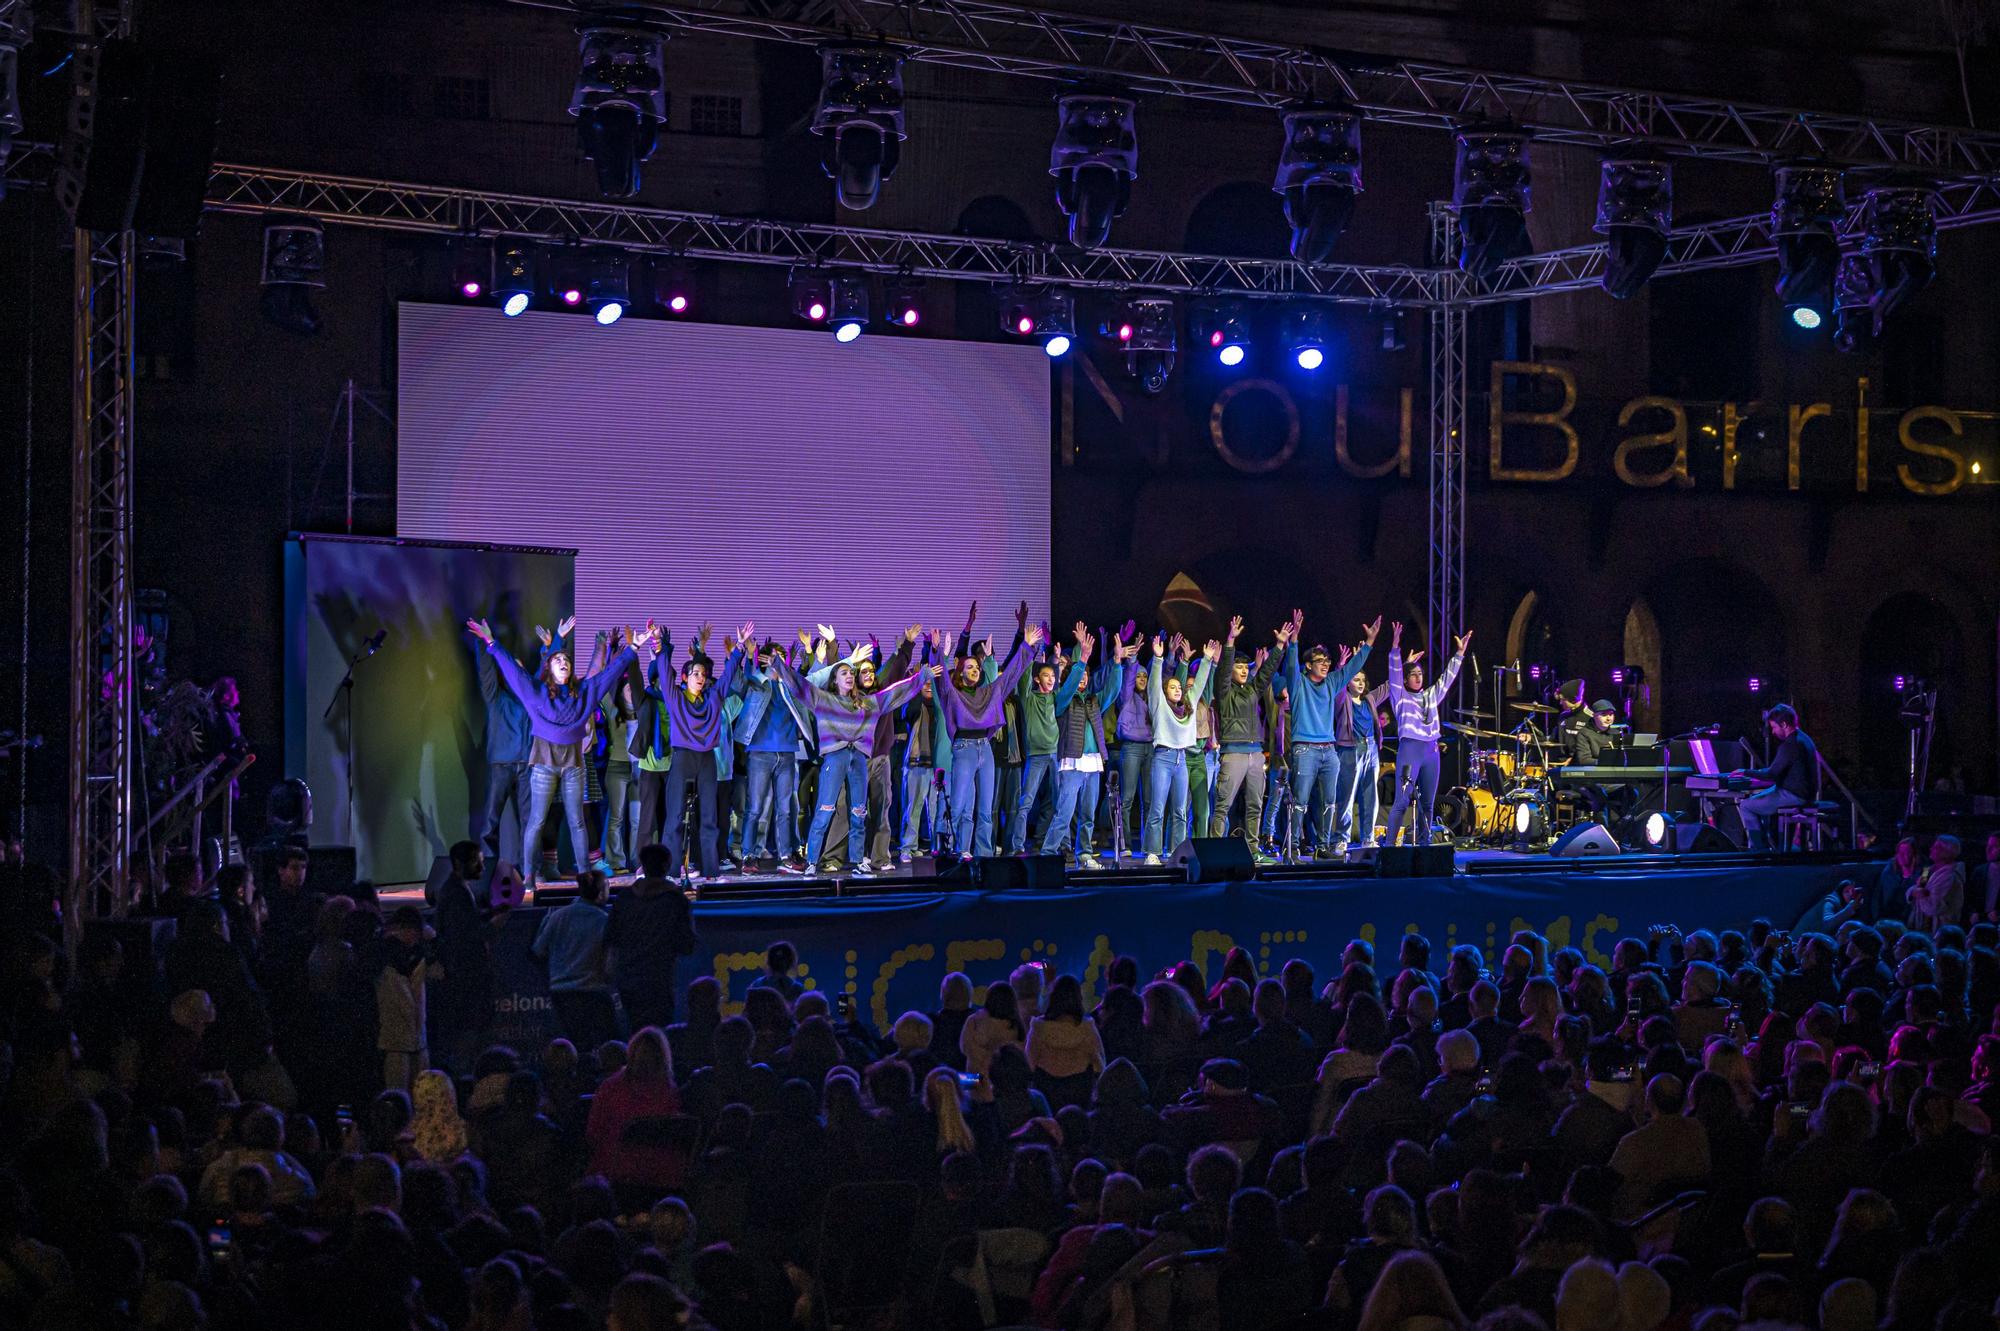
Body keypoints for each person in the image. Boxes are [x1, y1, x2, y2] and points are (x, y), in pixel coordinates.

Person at [466, 615, 638, 886]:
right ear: (549, 668)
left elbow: (607, 675)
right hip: (541, 764)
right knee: (535, 821)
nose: (563, 662)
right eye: (558, 660)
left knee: (577, 821)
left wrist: (632, 650)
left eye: (567, 660)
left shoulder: (583, 692)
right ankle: (528, 878)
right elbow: (511, 668)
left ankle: (584, 876)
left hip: (572, 764)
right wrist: (489, 641)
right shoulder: (533, 693)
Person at [773, 637, 939, 876]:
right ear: (835, 679)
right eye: (843, 673)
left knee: (859, 811)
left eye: (851, 673)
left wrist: (921, 677)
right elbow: (799, 685)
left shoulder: (867, 703)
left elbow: (896, 692)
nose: (849, 677)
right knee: (825, 809)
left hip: (859, 758)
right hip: (835, 757)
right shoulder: (823, 699)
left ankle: (858, 861)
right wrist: (780, 665)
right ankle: (811, 861)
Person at [634, 622, 744, 882]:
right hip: (682, 758)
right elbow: (663, 670)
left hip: (706, 760)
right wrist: (660, 646)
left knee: (709, 818)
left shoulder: (713, 699)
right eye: (695, 673)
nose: (700, 677)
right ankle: (670, 872)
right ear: (686, 677)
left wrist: (739, 649)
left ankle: (711, 872)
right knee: (673, 817)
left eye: (703, 674)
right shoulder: (676, 699)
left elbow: (727, 677)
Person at [937, 608, 1042, 859]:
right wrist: (940, 654)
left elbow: (1011, 675)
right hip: (964, 748)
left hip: (985, 748)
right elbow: (941, 681)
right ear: (960, 671)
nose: (974, 669)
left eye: (976, 667)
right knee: (961, 805)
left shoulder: (989, 693)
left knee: (985, 807)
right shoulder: (954, 694)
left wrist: (1026, 647)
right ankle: (955, 850)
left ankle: (983, 854)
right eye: (969, 666)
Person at [1279, 610, 1379, 856]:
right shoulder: (1299, 683)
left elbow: (1352, 667)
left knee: (1330, 802)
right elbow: (1291, 667)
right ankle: (1292, 847)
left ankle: (1323, 846)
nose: (1325, 664)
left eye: (1327, 661)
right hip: (1305, 750)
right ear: (1309, 665)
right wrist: (1294, 641)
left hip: (1329, 751)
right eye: (1319, 661)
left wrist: (1369, 644)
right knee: (1300, 801)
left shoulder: (1332, 683)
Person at [1382, 621, 1470, 849]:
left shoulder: (1431, 695)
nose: (1418, 677)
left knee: (1428, 803)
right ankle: (1390, 847)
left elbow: (1447, 680)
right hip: (1410, 749)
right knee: (1402, 801)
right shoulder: (1399, 696)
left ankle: (1424, 845)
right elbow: (1393, 674)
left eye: (1420, 674)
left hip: (1431, 750)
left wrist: (1459, 654)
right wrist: (1395, 648)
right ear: (1405, 678)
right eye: (1413, 674)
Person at [729, 638, 813, 870]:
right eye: (773, 656)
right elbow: (736, 684)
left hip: (787, 754)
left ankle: (786, 856)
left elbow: (813, 683)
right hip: (760, 754)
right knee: (755, 807)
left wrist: (810, 655)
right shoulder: (757, 682)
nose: (778, 660)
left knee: (785, 809)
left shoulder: (790, 687)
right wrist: (745, 655)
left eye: (781, 657)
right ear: (765, 660)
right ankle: (748, 855)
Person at [1042, 624, 1118, 868]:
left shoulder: (1094, 701)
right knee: (1064, 813)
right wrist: (1082, 660)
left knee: (1088, 815)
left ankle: (1084, 853)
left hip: (1093, 762)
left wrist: (1116, 663)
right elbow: (1070, 684)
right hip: (1072, 763)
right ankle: (1047, 853)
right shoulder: (1064, 700)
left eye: (1086, 676)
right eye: (1079, 676)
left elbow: (1113, 691)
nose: (1083, 678)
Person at [1209, 617, 1282, 860]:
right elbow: (1223, 671)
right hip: (1233, 754)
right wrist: (1230, 640)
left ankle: (1252, 851)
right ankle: (1216, 851)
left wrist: (1279, 647)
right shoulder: (1224, 692)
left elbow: (1266, 674)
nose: (1242, 670)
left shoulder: (1252, 690)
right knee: (1223, 806)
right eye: (1238, 667)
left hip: (1255, 753)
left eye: (1245, 667)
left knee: (1255, 806)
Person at [1141, 633, 1217, 865]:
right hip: (1163, 758)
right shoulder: (1159, 705)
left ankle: (1176, 851)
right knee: (1157, 808)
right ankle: (1152, 852)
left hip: (1182, 760)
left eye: (1178, 687)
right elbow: (1154, 685)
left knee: (1180, 811)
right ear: (1165, 693)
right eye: (1172, 687)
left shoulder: (1190, 705)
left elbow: (1202, 682)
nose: (1176, 689)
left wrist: (1206, 660)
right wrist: (1157, 659)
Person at [607, 843, 699, 1028]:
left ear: (642, 865)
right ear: (667, 865)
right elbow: (687, 945)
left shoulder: (625, 898)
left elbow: (611, 939)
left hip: (628, 979)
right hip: (659, 979)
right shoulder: (675, 900)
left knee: (635, 1031)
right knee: (658, 1033)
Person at [432, 839, 504, 1072]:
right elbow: (462, 937)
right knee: (468, 1039)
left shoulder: (458, 891)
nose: (482, 869)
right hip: (466, 982)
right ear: (458, 863)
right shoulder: (455, 894)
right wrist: (493, 925)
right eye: (477, 863)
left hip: (467, 979)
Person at [532, 868, 616, 1051]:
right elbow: (610, 965)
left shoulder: (556, 917)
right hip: (594, 993)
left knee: (576, 1047)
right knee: (609, 1044)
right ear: (601, 893)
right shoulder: (605, 920)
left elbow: (538, 950)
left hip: (562, 994)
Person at [1731, 703, 1819, 852]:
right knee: (1757, 800)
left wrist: (1745, 772)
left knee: (1746, 806)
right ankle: (1773, 847)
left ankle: (1761, 852)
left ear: (1784, 724)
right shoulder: (1804, 738)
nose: (1773, 732)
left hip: (1794, 795)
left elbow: (1771, 774)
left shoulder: (1790, 744)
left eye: (1774, 727)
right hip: (1802, 792)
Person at [371, 904, 438, 1092]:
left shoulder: (415, 955)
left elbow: (442, 971)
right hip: (397, 1041)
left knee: (409, 1094)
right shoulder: (384, 955)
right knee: (404, 1093)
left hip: (412, 1040)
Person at [1333, 651, 1390, 854]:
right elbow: (1337, 685)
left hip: (1371, 748)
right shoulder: (1343, 699)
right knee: (1347, 797)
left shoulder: (1370, 700)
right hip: (1350, 749)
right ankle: (1341, 839)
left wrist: (1404, 665)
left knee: (1370, 795)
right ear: (1348, 683)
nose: (1360, 683)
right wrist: (1343, 665)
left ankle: (1368, 838)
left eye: (1363, 680)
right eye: (1356, 680)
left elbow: (1388, 687)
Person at [1908, 834, 1966, 932]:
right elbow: (1918, 888)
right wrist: (1913, 892)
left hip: (1939, 929)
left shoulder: (1951, 876)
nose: (1931, 849)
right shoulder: (1927, 870)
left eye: (1936, 847)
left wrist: (1920, 894)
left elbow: (1934, 907)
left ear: (1947, 852)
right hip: (1920, 924)